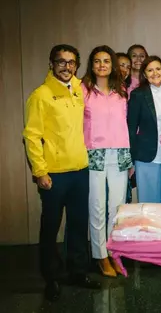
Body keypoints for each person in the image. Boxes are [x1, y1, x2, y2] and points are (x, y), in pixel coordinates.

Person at [23, 44, 100, 301]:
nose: (66, 67)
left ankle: (78, 271)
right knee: (51, 227)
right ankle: (51, 278)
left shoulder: (79, 90)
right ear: (51, 64)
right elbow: (32, 137)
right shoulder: (41, 95)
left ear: (76, 65)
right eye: (61, 62)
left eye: (71, 62)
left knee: (78, 226)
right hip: (53, 174)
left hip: (80, 170)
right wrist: (40, 171)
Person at [81, 46, 132, 277]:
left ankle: (114, 251)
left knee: (117, 207)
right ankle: (100, 255)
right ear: (91, 65)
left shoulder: (121, 90)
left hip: (120, 152)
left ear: (112, 65)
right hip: (95, 152)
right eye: (97, 61)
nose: (102, 65)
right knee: (98, 206)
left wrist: (129, 158)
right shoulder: (83, 90)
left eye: (106, 61)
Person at [127, 56, 161, 205]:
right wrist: (131, 159)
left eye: (158, 69)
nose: (155, 73)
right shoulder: (138, 95)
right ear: (144, 74)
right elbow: (131, 128)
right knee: (149, 206)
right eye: (150, 70)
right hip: (147, 156)